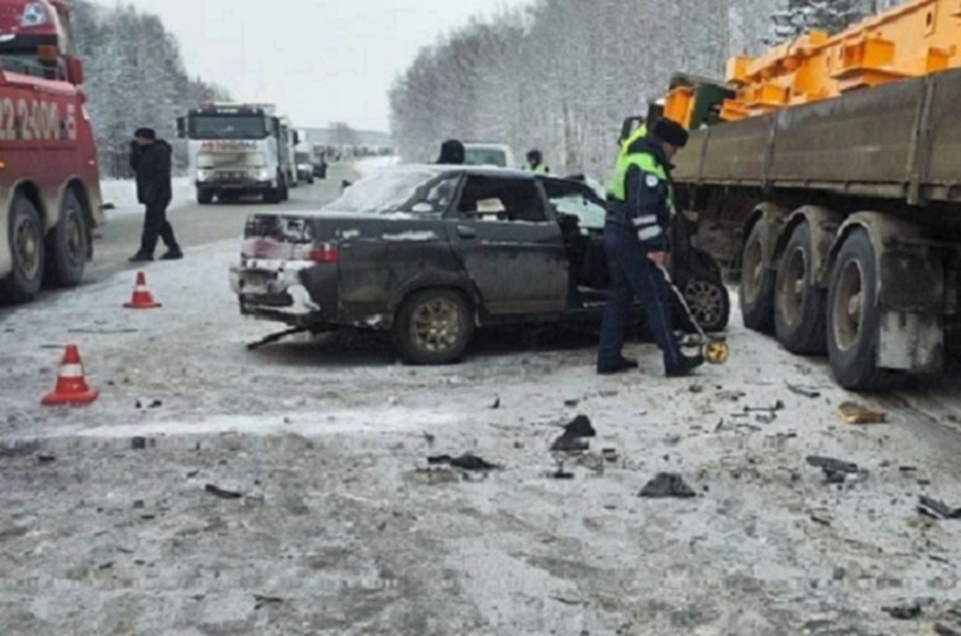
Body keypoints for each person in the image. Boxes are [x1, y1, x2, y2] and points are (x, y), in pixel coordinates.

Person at [596, 118, 704, 377]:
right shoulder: (646, 165)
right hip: (631, 239)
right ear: (665, 143)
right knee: (656, 296)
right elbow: (642, 211)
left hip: (616, 234)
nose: (674, 153)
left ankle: (608, 357)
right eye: (674, 148)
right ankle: (673, 359)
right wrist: (655, 246)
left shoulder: (637, 157)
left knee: (619, 297)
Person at [128, 127, 182, 262]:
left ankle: (146, 251)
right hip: (149, 192)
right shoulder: (144, 151)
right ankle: (173, 248)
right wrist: (134, 151)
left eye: (138, 138)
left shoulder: (160, 151)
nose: (137, 140)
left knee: (151, 223)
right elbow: (135, 166)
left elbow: (161, 173)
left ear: (146, 138)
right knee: (160, 222)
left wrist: (154, 189)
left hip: (159, 192)